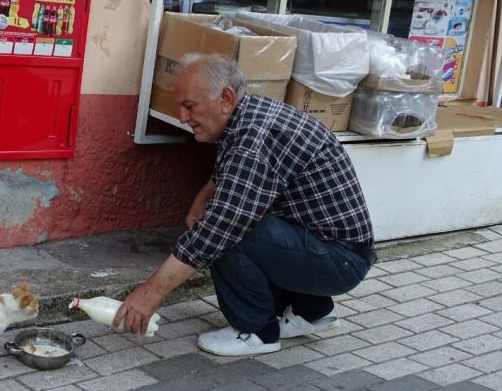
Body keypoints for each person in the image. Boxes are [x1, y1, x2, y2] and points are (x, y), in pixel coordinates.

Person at [113, 53, 376, 356]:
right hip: (336, 252)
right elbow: (232, 172)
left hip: (338, 262)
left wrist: (149, 295)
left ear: (225, 97)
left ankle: (258, 331)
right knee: (231, 215)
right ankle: (311, 311)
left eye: (189, 106)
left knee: (226, 229)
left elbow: (220, 227)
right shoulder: (249, 115)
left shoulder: (255, 136)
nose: (183, 118)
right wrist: (202, 197)